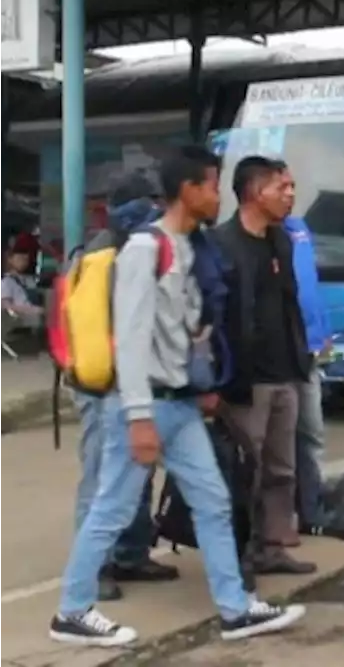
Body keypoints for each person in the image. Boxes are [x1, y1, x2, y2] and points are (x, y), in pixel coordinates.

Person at [49, 145, 306, 647]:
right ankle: (71, 611)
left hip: (182, 403)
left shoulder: (191, 246)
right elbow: (132, 333)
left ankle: (235, 609)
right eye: (211, 185)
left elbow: (185, 328)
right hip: (145, 403)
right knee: (112, 509)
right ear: (188, 191)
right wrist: (139, 417)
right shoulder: (147, 250)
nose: (217, 195)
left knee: (212, 501)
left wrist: (202, 385)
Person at [70, 171, 179, 603]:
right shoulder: (107, 256)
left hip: (130, 380)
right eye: (150, 201)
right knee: (102, 478)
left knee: (136, 468)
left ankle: (131, 554)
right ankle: (93, 569)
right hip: (101, 384)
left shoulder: (123, 248)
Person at [214, 157, 315, 575]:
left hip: (285, 374)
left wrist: (301, 359)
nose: (291, 194)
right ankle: (238, 554)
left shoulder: (282, 241)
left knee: (281, 470)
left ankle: (273, 547)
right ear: (257, 192)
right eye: (283, 186)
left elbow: (288, 304)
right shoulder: (222, 243)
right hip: (245, 382)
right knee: (243, 472)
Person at [280, 167, 332, 537]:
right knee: (280, 444)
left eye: (293, 186)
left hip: (310, 352)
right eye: (282, 186)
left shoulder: (299, 229)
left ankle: (313, 509)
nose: (290, 193)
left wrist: (324, 331)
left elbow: (311, 286)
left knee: (312, 434)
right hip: (281, 356)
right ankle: (280, 520)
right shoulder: (259, 235)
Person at [0, 247, 42, 327]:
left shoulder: (30, 280)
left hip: (34, 324)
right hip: (18, 327)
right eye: (20, 258)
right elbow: (6, 307)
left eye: (26, 259)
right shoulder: (7, 282)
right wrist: (31, 310)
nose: (23, 262)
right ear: (10, 260)